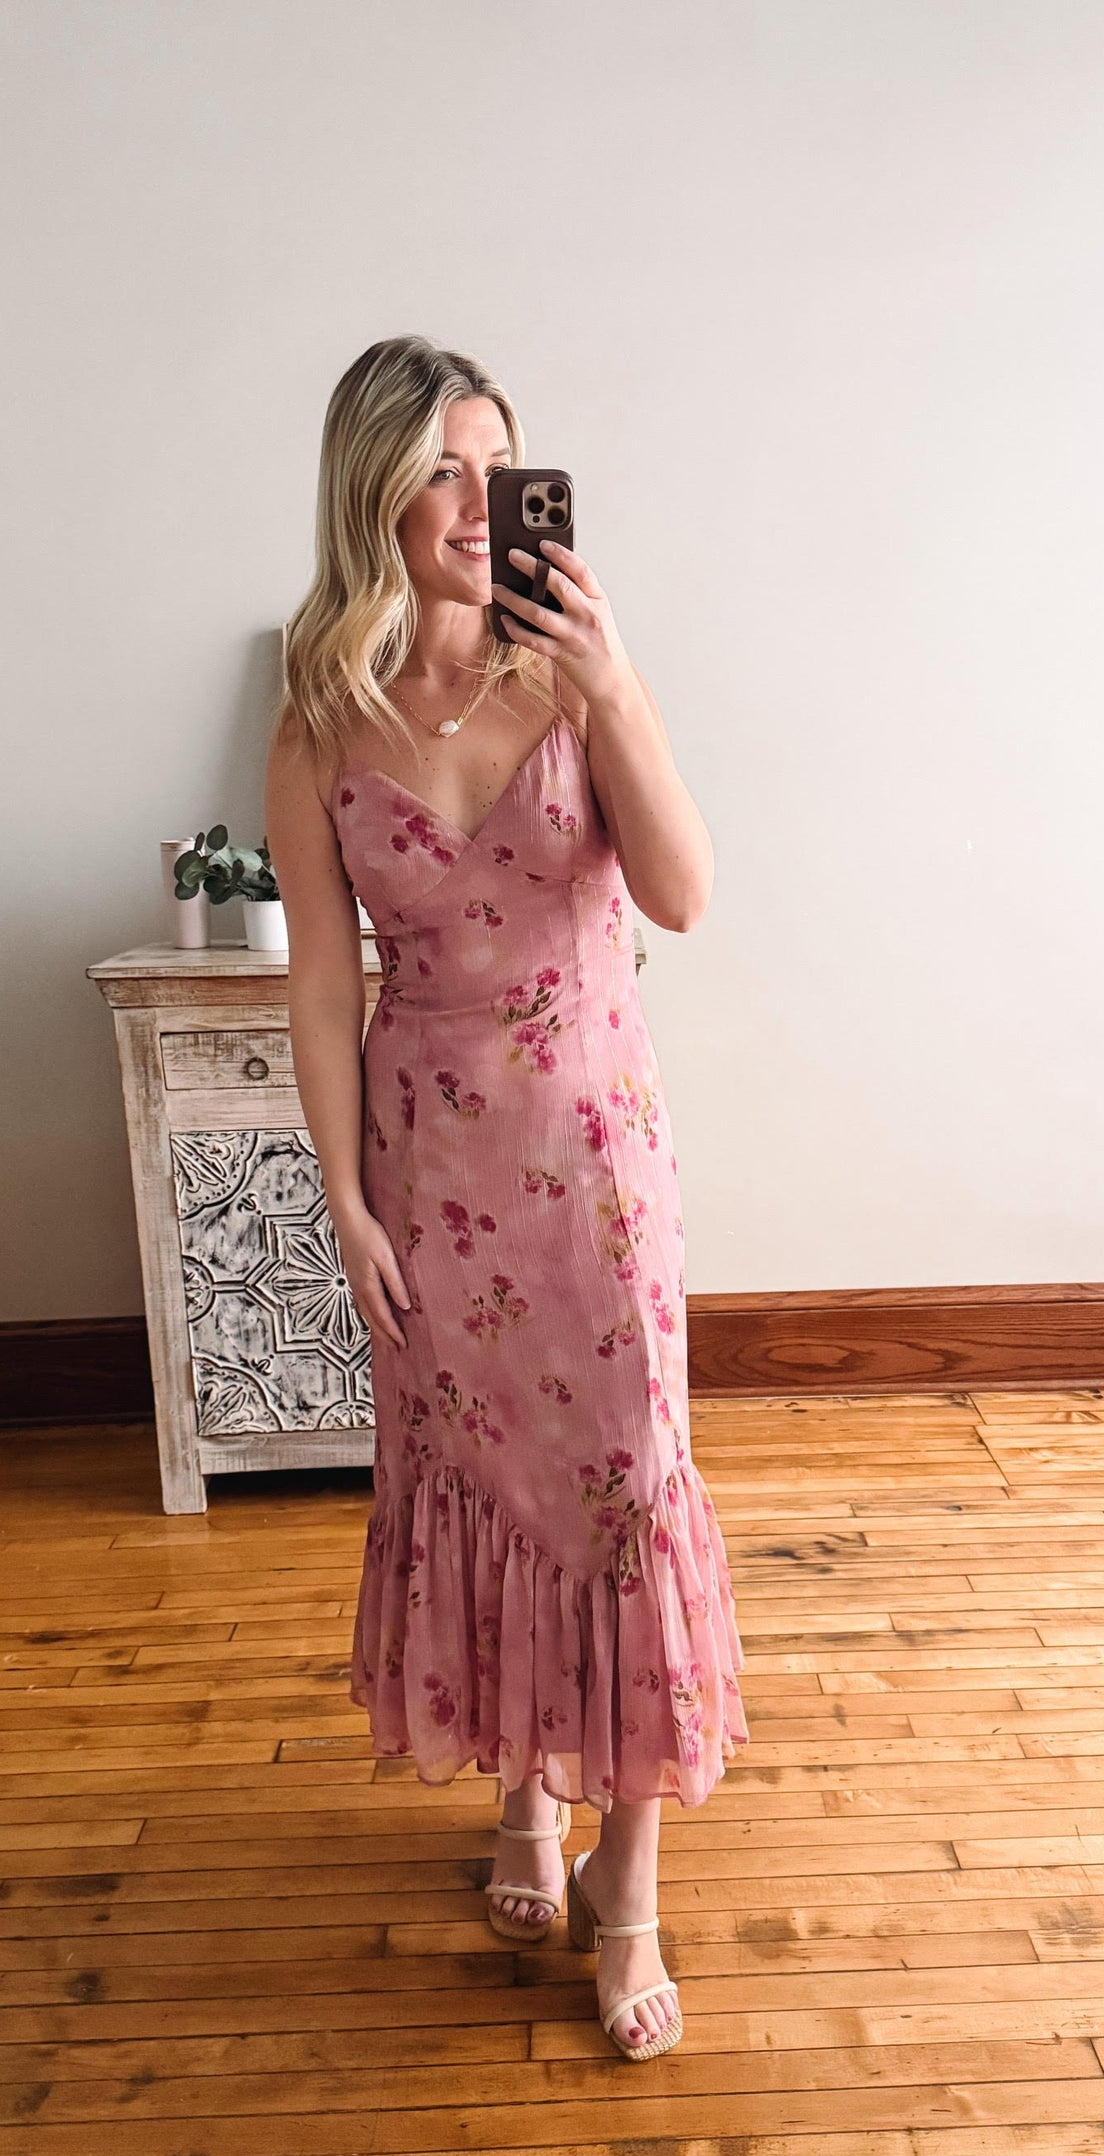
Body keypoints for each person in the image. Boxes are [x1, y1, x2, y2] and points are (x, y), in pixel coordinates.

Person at [266, 335, 747, 2061]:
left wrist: (611, 687)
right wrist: (342, 1194)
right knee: (473, 1488)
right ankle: (520, 1800)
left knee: (622, 1499)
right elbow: (321, 986)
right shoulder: (323, 720)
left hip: (594, 1173)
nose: (478, 503)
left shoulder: (575, 677)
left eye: (499, 466)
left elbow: (682, 895)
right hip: (431, 1172)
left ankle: (630, 1887)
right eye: (442, 473)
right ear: (376, 497)